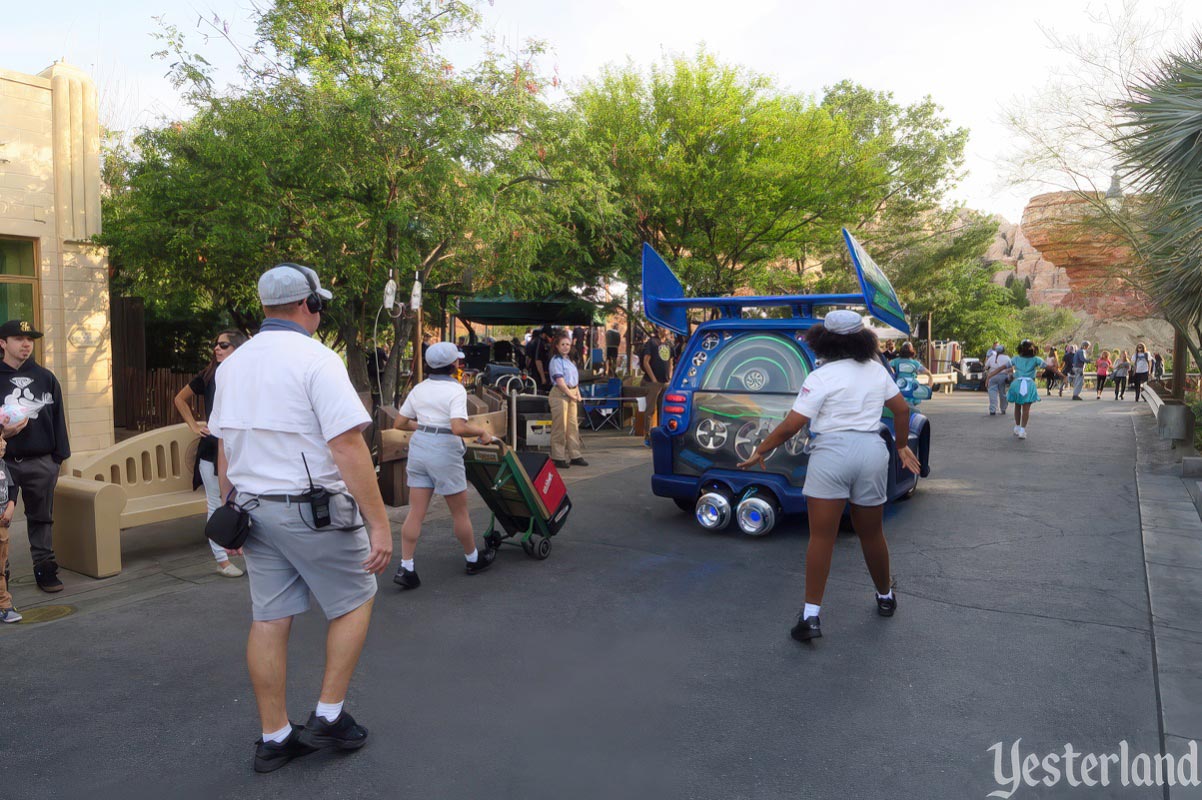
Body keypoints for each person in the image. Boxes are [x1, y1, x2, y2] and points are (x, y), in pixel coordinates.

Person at [209, 264, 393, 773]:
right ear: (309, 305)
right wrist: (379, 524)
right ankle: (329, 715)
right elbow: (347, 445)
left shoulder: (233, 365)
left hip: (252, 509)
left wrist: (229, 508)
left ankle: (274, 737)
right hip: (312, 510)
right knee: (356, 599)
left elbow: (225, 442)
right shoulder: (317, 359)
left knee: (269, 618)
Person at [737, 310, 920, 642]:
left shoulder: (820, 376)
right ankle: (885, 597)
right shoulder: (877, 371)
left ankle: (811, 618)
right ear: (864, 339)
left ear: (823, 340)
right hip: (870, 451)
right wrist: (903, 446)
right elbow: (902, 409)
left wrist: (761, 450)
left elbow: (793, 425)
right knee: (872, 533)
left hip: (831, 453)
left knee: (821, 537)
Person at [392, 342, 498, 591]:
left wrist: (424, 427)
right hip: (444, 451)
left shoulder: (419, 388)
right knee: (459, 512)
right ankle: (472, 559)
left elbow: (400, 422)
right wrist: (482, 431)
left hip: (420, 449)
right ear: (454, 366)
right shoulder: (456, 391)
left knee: (415, 512)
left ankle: (406, 566)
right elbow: (458, 427)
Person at [0, 319, 70, 593]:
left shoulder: (46, 378)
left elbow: (58, 419)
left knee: (41, 518)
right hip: (3, 463)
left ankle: (44, 567)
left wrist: (57, 459)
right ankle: (1, 574)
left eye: (30, 339)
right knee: (1, 520)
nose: (26, 344)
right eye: (19, 338)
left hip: (41, 462)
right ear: (3, 343)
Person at [175, 329, 250, 577]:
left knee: (245, 500)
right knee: (215, 503)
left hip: (239, 447)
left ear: (237, 348)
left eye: (224, 345)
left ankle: (243, 551)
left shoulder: (246, 375)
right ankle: (222, 560)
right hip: (211, 449)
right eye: (216, 344)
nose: (217, 348)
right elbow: (180, 399)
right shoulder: (209, 375)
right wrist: (193, 426)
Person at [548, 331, 587, 469]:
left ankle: (575, 455)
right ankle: (558, 456)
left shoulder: (569, 361)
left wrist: (577, 393)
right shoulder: (556, 361)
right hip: (560, 394)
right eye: (563, 344)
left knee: (572, 426)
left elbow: (574, 380)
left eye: (568, 345)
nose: (565, 347)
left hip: (572, 392)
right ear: (557, 346)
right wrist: (571, 395)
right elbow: (560, 381)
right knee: (560, 426)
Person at [640, 326, 674, 446]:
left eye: (667, 328)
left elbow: (670, 361)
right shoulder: (652, 343)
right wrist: (653, 379)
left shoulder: (669, 344)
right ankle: (648, 436)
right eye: (662, 327)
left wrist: (670, 376)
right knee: (650, 409)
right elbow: (646, 361)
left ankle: (661, 435)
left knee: (663, 409)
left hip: (665, 381)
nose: (665, 330)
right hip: (653, 382)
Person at [0, 434, 21, 623]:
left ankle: (4, 606)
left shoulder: (3, 465)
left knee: (1, 566)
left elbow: (12, 487)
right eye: (0, 438)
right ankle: (4, 605)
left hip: (2, 526)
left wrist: (11, 505)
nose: (4, 442)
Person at [1005, 339, 1044, 439]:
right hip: (1029, 383)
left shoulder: (1016, 358)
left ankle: (1017, 427)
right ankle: (1022, 430)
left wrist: (992, 374)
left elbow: (1006, 366)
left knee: (1017, 406)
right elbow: (1047, 366)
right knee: (1026, 409)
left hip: (1017, 383)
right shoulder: (1036, 359)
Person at [984, 344, 1012, 416]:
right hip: (1003, 377)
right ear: (1003, 351)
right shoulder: (1007, 358)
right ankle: (1003, 409)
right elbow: (1011, 367)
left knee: (992, 393)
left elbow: (986, 366)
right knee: (1003, 393)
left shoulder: (991, 357)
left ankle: (993, 409)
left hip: (992, 377)